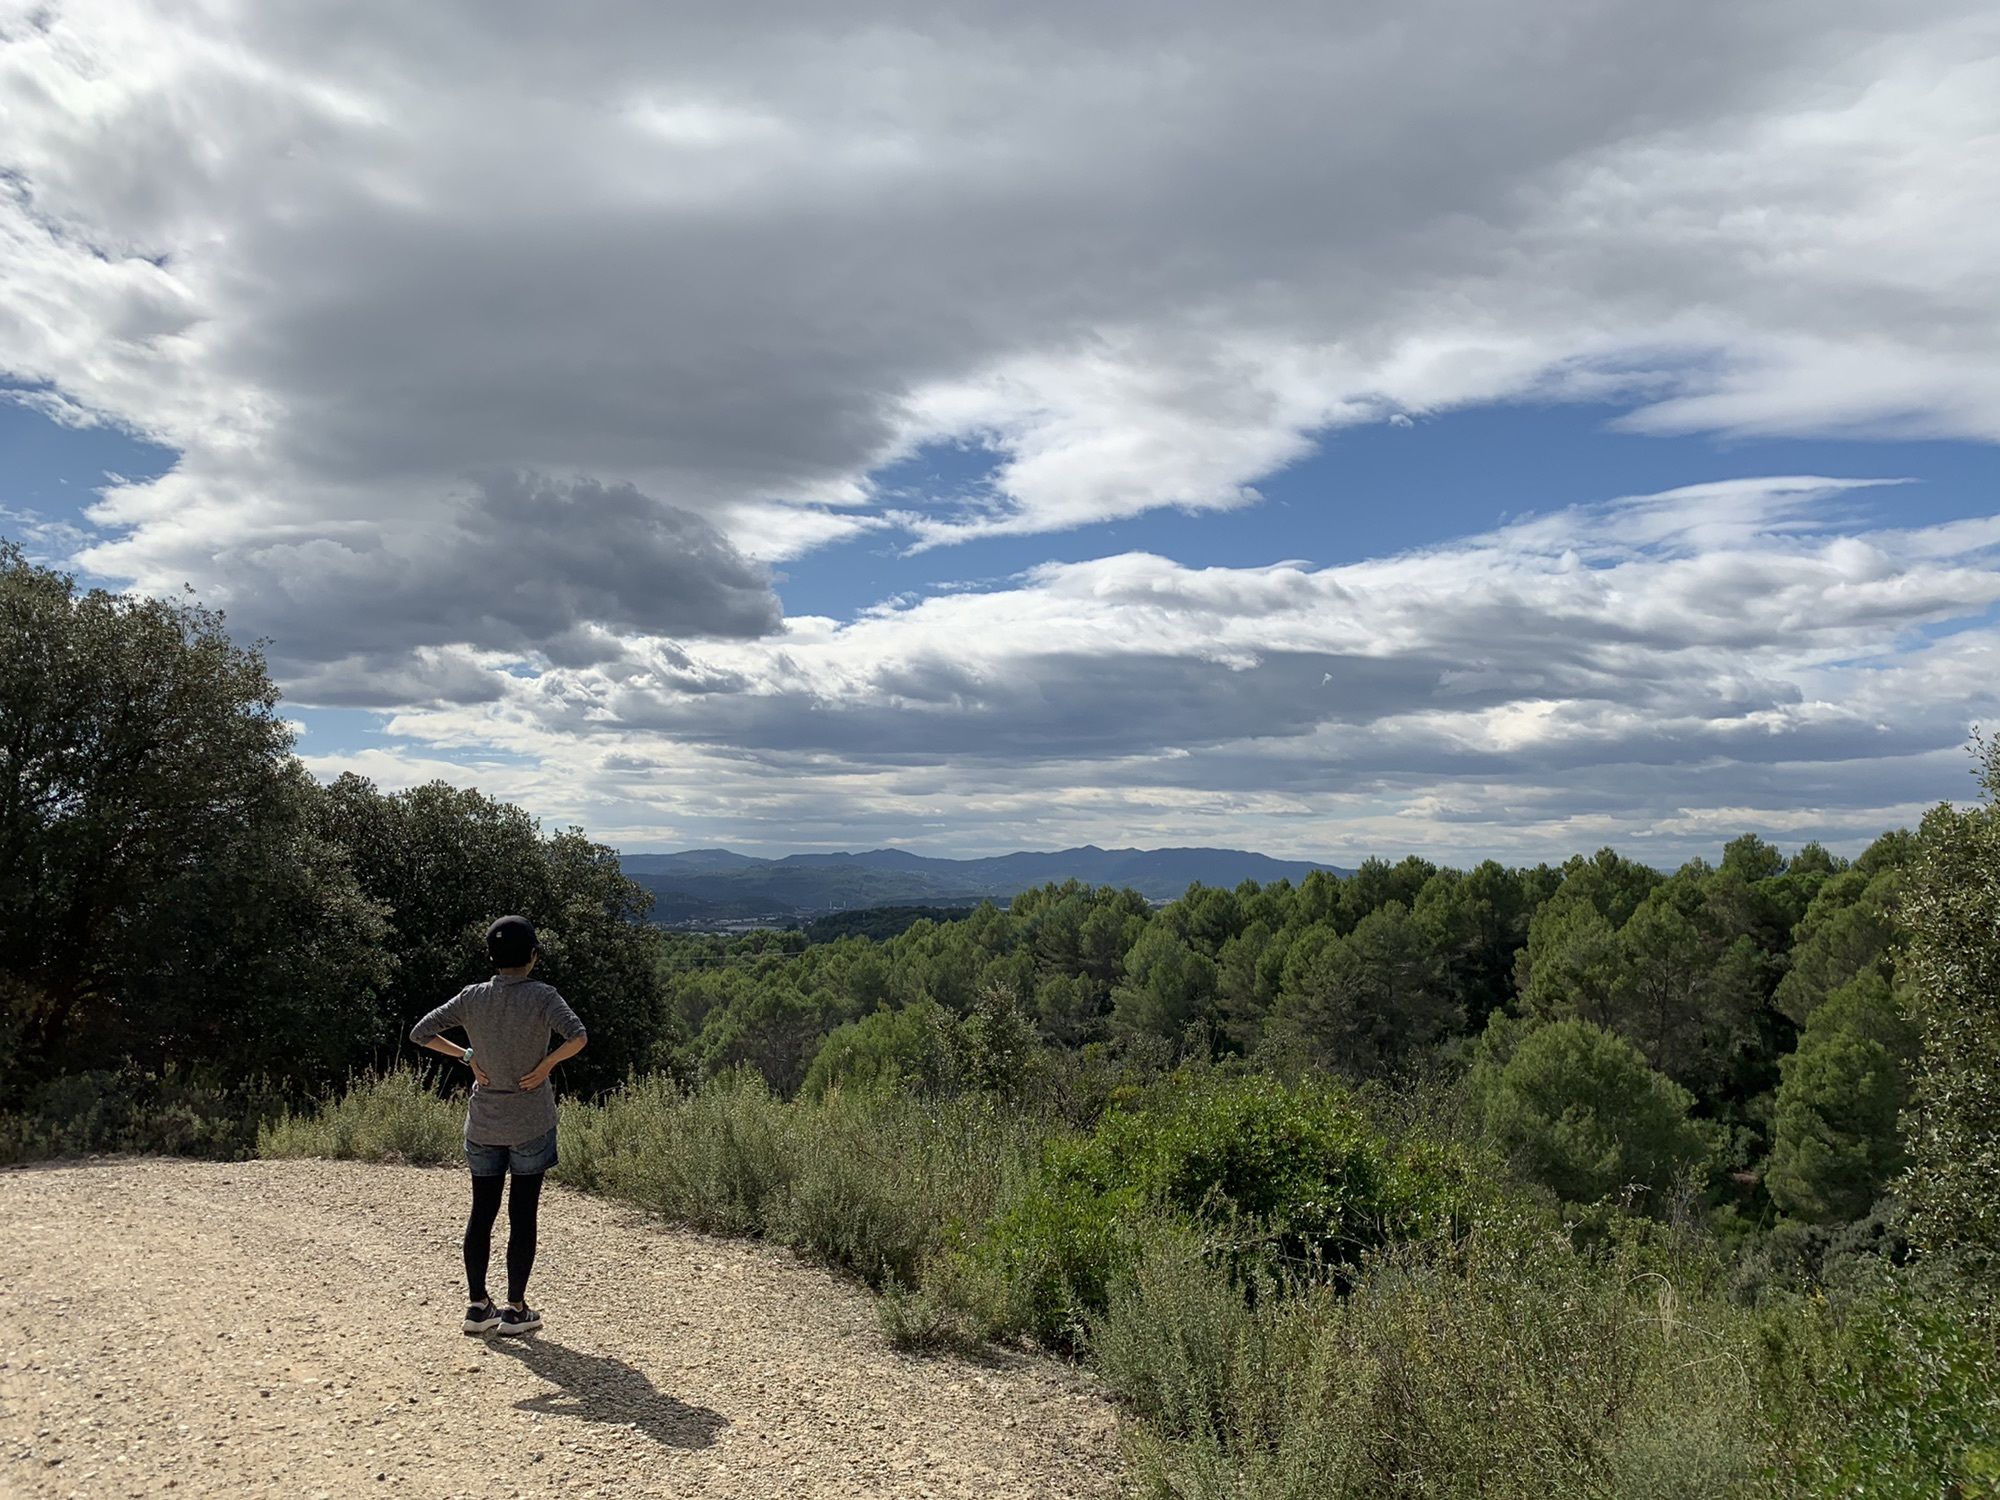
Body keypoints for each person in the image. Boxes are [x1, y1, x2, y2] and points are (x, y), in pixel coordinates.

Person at [410, 914, 588, 1336]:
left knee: (482, 1212)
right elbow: (578, 1036)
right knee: (523, 1214)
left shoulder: (472, 997)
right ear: (533, 956)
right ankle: (516, 1309)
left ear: (491, 957)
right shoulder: (543, 996)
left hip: (484, 1123)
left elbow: (421, 1032)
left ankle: (477, 1306)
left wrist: (467, 1056)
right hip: (530, 1121)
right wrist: (546, 1065)